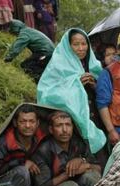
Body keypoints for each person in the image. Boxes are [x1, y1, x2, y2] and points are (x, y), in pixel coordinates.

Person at [37, 28, 106, 156]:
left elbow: (107, 94)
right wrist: (76, 83)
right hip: (72, 126)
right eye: (76, 44)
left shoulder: (94, 66)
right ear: (68, 46)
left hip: (96, 120)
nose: (81, 48)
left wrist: (95, 85)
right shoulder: (57, 66)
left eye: (84, 44)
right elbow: (47, 95)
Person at [32, 111, 101, 186]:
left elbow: (98, 168)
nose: (65, 130)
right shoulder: (43, 150)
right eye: (59, 125)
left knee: (93, 176)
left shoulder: (78, 143)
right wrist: (68, 174)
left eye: (68, 125)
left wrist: (84, 163)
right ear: (51, 129)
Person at [0, 105, 50, 186]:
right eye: (23, 121)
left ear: (37, 123)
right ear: (15, 123)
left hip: (22, 183)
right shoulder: (5, 143)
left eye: (31, 121)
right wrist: (20, 163)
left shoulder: (39, 139)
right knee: (22, 171)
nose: (28, 125)